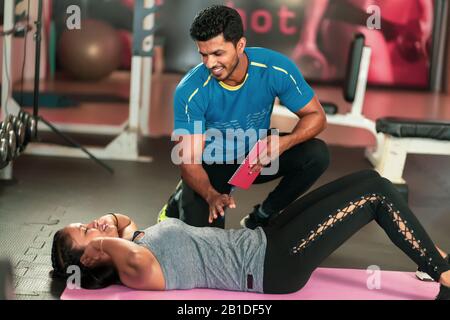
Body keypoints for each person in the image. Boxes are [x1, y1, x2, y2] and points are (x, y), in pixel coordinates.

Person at [51, 170, 450, 299]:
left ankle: (435, 261)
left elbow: (119, 219)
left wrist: (99, 232)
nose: (95, 225)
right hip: (273, 265)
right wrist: (101, 241)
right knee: (376, 196)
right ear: (89, 258)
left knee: (370, 179)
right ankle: (444, 275)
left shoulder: (135, 242)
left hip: (265, 238)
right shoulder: (137, 271)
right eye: (86, 231)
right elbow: (121, 241)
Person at [160, 5, 329, 229]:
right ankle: (179, 200)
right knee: (204, 246)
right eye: (204, 54)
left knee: (316, 154)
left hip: (255, 156)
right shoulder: (190, 90)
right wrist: (211, 195)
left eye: (218, 53)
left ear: (240, 45)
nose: (210, 64)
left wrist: (285, 142)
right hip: (212, 164)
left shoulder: (275, 69)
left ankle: (263, 215)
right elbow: (189, 162)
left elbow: (316, 115)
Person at [292, 0, 433, 86]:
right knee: (379, 98)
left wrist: (425, 28)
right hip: (353, 26)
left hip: (357, 26)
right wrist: (307, 40)